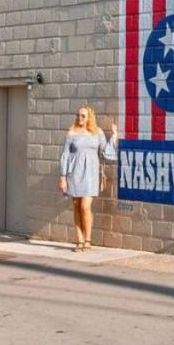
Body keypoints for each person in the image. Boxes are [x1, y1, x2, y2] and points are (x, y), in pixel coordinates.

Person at [58, 105, 117, 252]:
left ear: (89, 117)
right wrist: (63, 177)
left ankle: (88, 240)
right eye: (78, 115)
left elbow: (105, 151)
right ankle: (79, 240)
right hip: (74, 174)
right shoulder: (71, 132)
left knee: (85, 206)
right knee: (76, 206)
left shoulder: (97, 132)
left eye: (83, 116)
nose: (80, 118)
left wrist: (114, 136)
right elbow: (65, 156)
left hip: (91, 174)